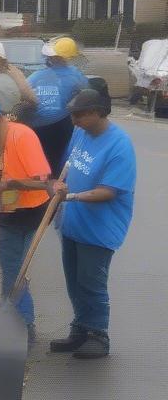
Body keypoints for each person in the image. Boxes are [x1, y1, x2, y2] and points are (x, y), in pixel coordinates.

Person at [48, 89, 136, 359]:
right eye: (72, 115)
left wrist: (70, 196)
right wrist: (58, 183)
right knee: (74, 282)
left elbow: (108, 191)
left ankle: (99, 334)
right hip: (73, 222)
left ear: (98, 112)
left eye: (79, 115)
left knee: (91, 283)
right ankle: (81, 328)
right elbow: (70, 165)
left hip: (99, 228)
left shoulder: (119, 145)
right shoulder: (81, 133)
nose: (73, 121)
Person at [0, 102, 51, 343]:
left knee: (18, 273)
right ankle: (13, 321)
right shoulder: (0, 140)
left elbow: (44, 182)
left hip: (31, 212)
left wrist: (7, 185)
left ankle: (23, 325)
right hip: (10, 212)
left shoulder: (21, 136)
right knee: (10, 271)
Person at [26, 37, 90, 172]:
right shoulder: (76, 75)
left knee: (39, 161)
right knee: (58, 160)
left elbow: (23, 92)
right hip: (63, 125)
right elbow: (85, 93)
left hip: (39, 126)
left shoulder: (37, 76)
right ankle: (55, 185)